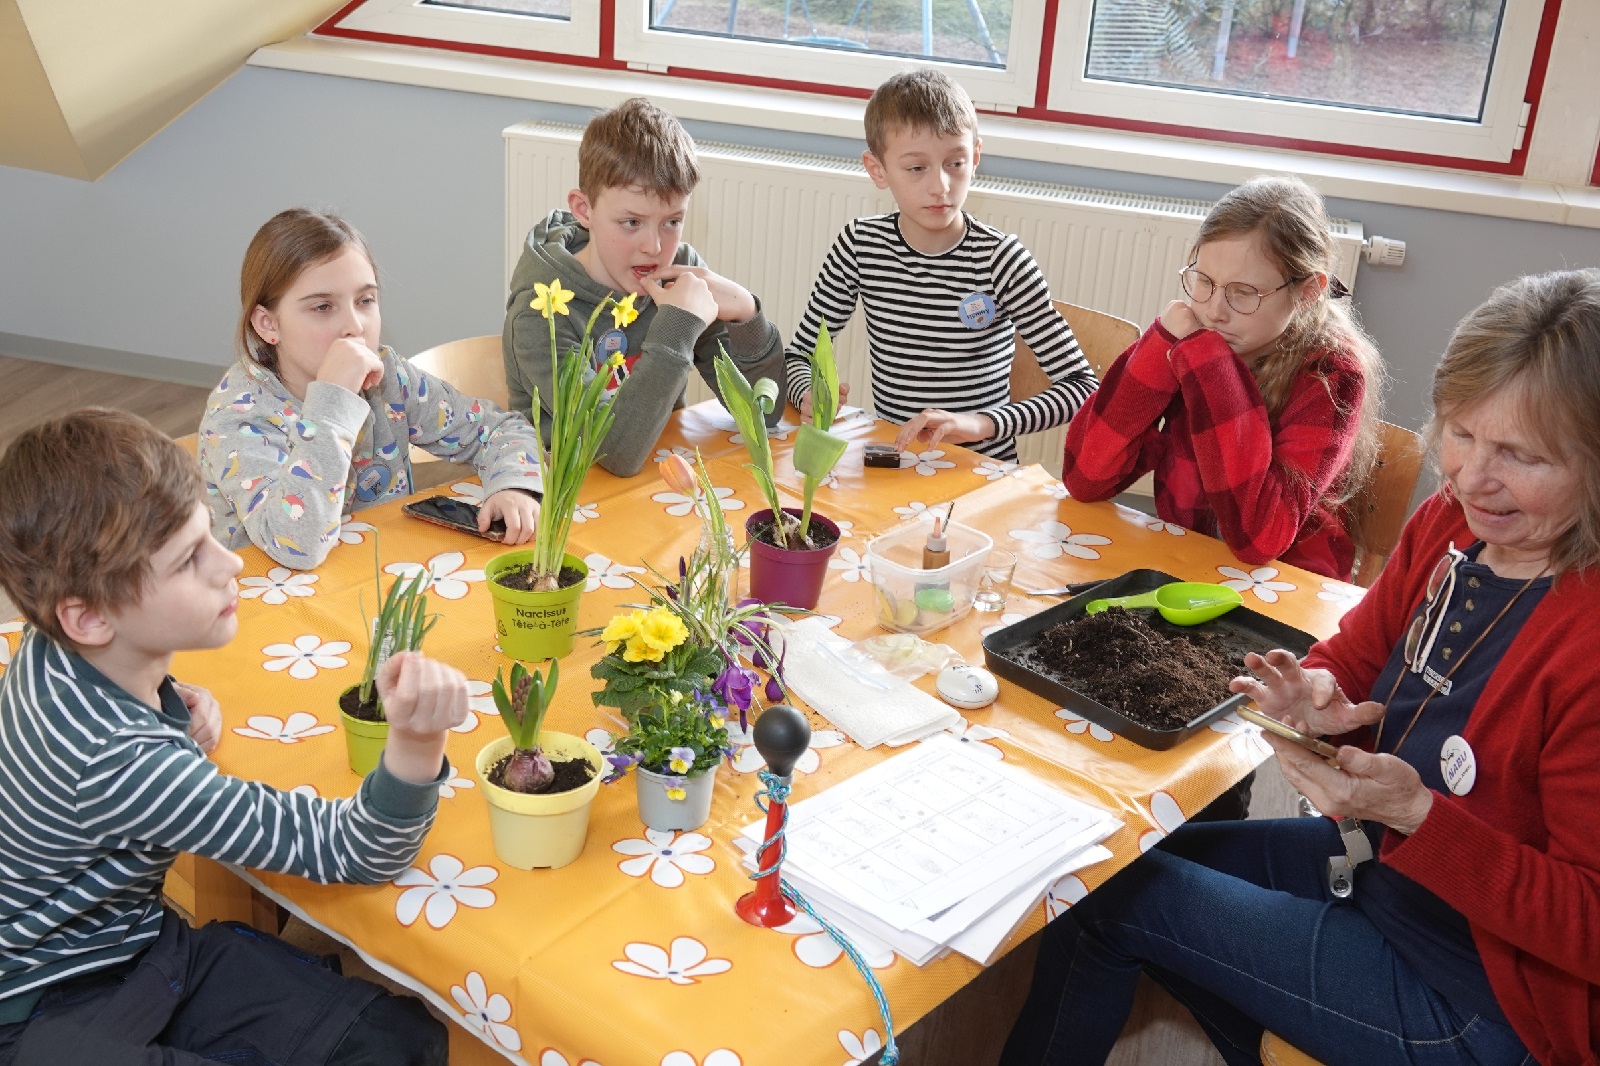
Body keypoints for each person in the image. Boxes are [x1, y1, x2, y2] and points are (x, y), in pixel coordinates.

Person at [1002, 270, 1600, 1066]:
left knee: (1111, 901)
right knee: (1104, 869)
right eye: (1460, 432)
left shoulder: (1585, 638)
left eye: (1520, 455)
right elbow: (1359, 649)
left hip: (1477, 995)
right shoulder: (1450, 524)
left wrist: (1422, 816)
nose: (1470, 476)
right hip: (1378, 872)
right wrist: (1317, 687)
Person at [0, 408, 467, 1064]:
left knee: (396, 1042)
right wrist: (417, 745)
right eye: (190, 560)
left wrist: (167, 696)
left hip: (136, 952)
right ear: (89, 617)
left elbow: (99, 727)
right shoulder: (128, 765)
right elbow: (357, 850)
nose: (231, 565)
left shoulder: (44, 644)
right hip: (45, 1014)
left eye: (210, 535)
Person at [1061, 175, 1384, 581]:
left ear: (1306, 292)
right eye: (1205, 282)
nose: (1214, 311)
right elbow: (1084, 477)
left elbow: (1259, 540)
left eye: (1243, 292)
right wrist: (1158, 344)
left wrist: (1211, 368)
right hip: (1188, 564)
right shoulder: (1190, 342)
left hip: (1286, 588)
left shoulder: (1332, 375)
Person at [783, 68, 1097, 463]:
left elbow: (1083, 387)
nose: (940, 187)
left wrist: (982, 424)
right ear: (877, 169)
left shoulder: (1002, 260)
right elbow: (798, 356)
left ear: (976, 157)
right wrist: (806, 393)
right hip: (896, 462)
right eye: (917, 168)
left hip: (981, 469)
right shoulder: (859, 246)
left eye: (955, 163)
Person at [202, 208, 543, 570]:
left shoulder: (388, 377)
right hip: (278, 608)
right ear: (268, 324)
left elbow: (500, 429)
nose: (354, 325)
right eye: (322, 307)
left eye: (365, 301)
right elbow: (295, 546)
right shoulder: (239, 417)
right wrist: (333, 405)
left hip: (381, 578)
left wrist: (512, 486)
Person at [502, 97, 786, 478]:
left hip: (659, 483)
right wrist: (678, 327)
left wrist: (748, 316)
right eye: (632, 223)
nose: (654, 247)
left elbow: (763, 415)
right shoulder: (543, 309)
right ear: (584, 210)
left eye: (672, 221)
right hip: (566, 494)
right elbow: (614, 454)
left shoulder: (679, 277)